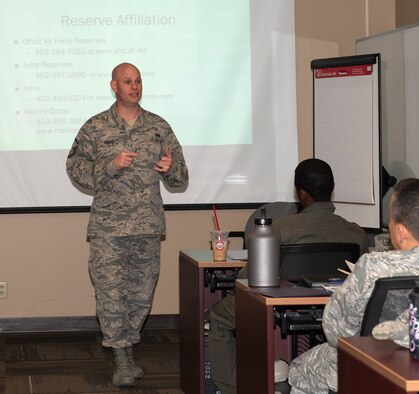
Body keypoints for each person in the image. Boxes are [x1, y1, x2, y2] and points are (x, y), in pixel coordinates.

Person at [288, 178, 419, 394]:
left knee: (298, 370)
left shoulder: (373, 267)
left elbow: (336, 333)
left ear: (401, 231)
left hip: (379, 371)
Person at [66, 62, 189, 387]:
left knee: (140, 294)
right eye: (127, 81)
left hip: (147, 226)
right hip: (108, 228)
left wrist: (170, 168)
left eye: (138, 81)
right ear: (114, 86)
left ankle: (128, 347)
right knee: (110, 294)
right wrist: (108, 165)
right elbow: (74, 166)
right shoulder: (96, 127)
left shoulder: (158, 126)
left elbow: (181, 177)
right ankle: (121, 357)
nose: (134, 86)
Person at [208, 158, 368, 394]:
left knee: (219, 315)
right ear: (331, 189)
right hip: (332, 308)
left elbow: (248, 277)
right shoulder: (356, 233)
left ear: (301, 193)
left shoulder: (281, 228)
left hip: (276, 306)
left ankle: (229, 388)